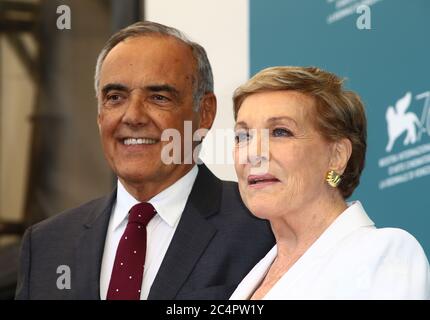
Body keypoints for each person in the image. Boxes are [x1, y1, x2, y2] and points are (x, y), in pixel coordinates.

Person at [15, 21, 274, 300]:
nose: (133, 116)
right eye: (115, 97)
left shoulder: (264, 226)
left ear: (206, 112)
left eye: (158, 97)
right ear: (100, 114)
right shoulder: (46, 244)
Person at [229, 66, 430, 299]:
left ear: (337, 156)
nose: (253, 153)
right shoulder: (251, 277)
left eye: (280, 132)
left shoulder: (384, 254)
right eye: (242, 136)